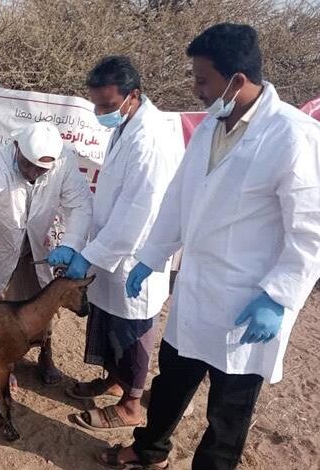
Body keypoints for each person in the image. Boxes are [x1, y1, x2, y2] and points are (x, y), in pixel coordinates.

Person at [98, 23, 320, 470]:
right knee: (173, 379)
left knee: (227, 412)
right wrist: (151, 254)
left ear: (236, 80)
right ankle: (149, 450)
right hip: (198, 290)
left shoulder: (292, 135)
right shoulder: (210, 128)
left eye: (202, 79)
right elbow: (179, 197)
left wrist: (277, 297)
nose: (195, 89)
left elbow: (310, 229)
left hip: (247, 303)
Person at [57, 56, 183, 430]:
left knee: (134, 331)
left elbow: (139, 215)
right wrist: (86, 247)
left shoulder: (152, 140)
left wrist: (90, 255)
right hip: (112, 246)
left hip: (135, 255)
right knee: (109, 323)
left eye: (107, 106)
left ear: (134, 96)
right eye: (95, 104)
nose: (100, 113)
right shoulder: (126, 125)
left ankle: (131, 403)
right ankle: (114, 383)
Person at [0, 122, 92, 384]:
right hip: (2, 241)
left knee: (42, 302)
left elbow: (80, 204)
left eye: (40, 169)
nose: (32, 173)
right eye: (28, 165)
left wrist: (71, 243)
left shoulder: (63, 162)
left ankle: (45, 353)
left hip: (36, 245)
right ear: (17, 148)